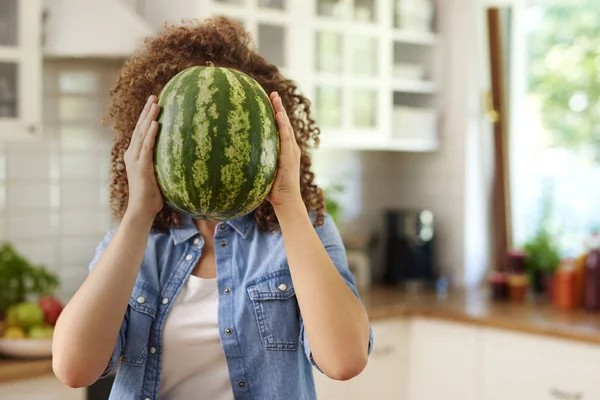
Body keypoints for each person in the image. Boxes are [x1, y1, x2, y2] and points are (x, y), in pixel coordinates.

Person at [52, 16, 373, 400]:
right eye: (195, 129)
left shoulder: (304, 232)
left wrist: (288, 201)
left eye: (229, 130)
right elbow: (73, 368)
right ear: (155, 138)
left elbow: (345, 361)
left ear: (266, 133)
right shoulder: (139, 242)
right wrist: (140, 211)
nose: (214, 144)